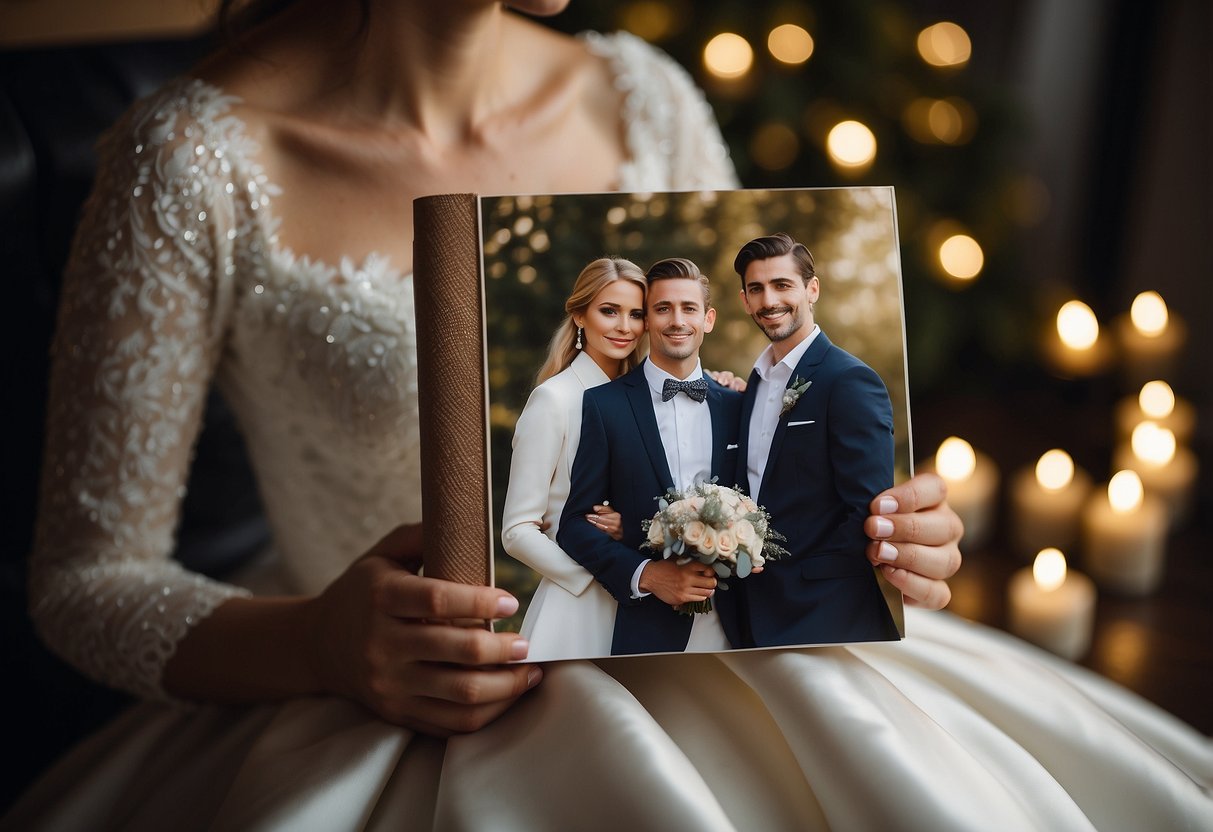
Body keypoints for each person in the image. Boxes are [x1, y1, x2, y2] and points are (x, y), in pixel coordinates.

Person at [8, 0, 1208, 828]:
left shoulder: (645, 94)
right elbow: (84, 580)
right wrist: (325, 642)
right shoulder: (188, 161)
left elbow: (758, 414)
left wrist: (883, 524)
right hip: (389, 700)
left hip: (740, 644)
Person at [557, 258, 742, 655]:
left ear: (707, 319)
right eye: (662, 308)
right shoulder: (604, 406)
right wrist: (647, 575)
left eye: (688, 308)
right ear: (647, 322)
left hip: (741, 624)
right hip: (649, 630)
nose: (677, 320)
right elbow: (573, 525)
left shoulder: (739, 405)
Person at [732, 232, 900, 647]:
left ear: (812, 289)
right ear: (746, 301)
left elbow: (867, 510)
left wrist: (801, 578)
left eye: (782, 285)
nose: (769, 299)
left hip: (826, 616)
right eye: (757, 289)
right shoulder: (752, 384)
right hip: (746, 614)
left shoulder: (850, 380)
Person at [500, 256, 646, 661]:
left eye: (636, 314)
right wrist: (595, 575)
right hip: (578, 607)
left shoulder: (646, 399)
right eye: (609, 311)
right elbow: (517, 530)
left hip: (648, 605)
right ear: (580, 315)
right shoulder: (554, 399)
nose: (624, 326)